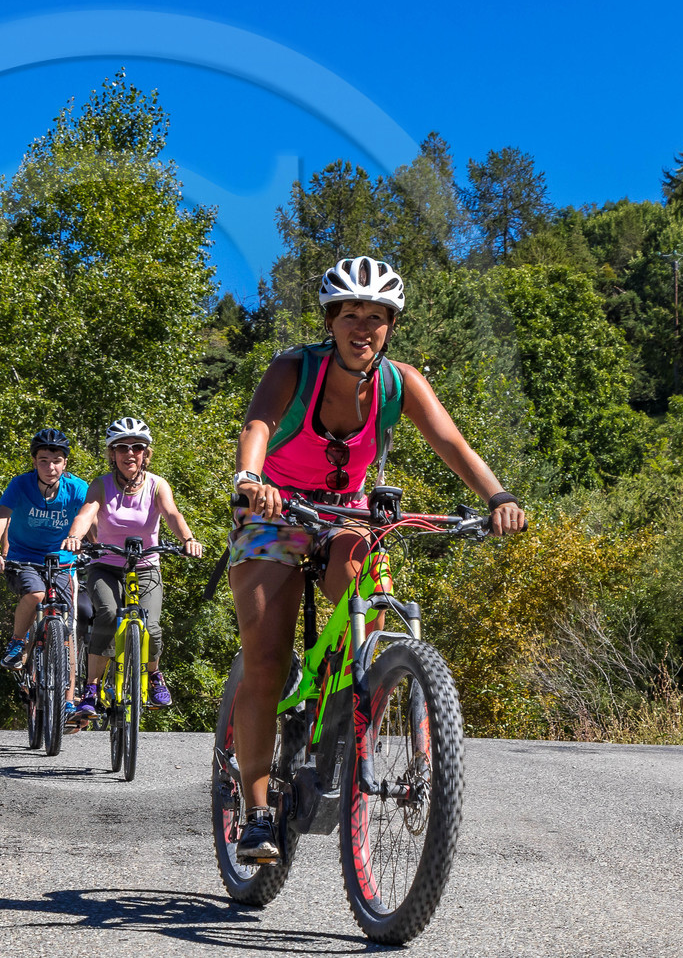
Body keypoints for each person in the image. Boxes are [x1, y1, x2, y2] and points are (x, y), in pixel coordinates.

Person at [227, 256, 527, 863]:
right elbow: (259, 422)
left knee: (369, 616)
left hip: (349, 512)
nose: (363, 327)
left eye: (377, 317)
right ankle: (256, 811)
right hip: (275, 508)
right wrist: (251, 476)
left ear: (391, 325)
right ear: (331, 320)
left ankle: (348, 726)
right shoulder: (295, 368)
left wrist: (497, 496)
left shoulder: (400, 382)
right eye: (351, 315)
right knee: (264, 656)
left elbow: (451, 441)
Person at [62, 417, 203, 717]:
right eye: (122, 447)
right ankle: (91, 689)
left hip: (146, 567)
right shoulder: (101, 485)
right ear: (112, 453)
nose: (130, 453)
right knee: (108, 615)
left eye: (137, 447)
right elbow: (87, 513)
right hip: (106, 565)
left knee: (150, 626)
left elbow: (172, 514)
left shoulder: (156, 485)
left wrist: (188, 539)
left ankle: (153, 676)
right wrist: (74, 537)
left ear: (145, 453)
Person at [0, 427, 88, 730]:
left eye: (56, 460)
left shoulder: (77, 488)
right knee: (37, 595)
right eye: (43, 460)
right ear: (34, 461)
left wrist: (97, 547)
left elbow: (90, 519)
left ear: (65, 463)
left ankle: (67, 703)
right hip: (23, 558)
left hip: (63, 563)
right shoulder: (20, 485)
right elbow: (2, 517)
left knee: (67, 633)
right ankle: (17, 643)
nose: (50, 467)